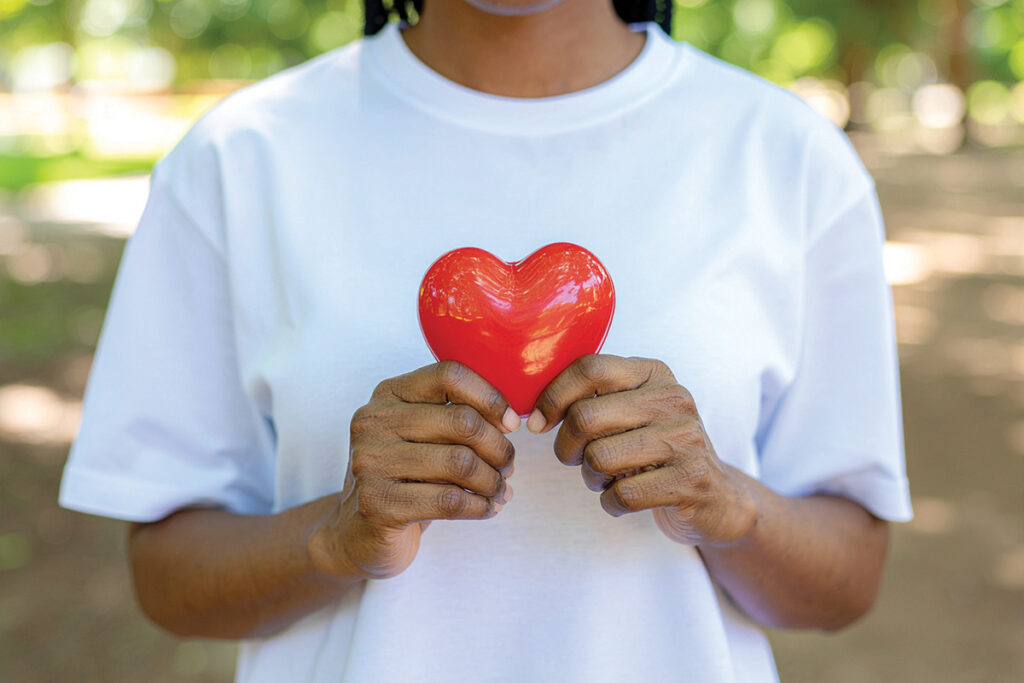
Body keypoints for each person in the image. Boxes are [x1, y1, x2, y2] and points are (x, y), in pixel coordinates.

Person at [58, 0, 914, 680]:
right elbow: (167, 574)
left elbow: (850, 578)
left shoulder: (789, 157)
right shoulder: (241, 158)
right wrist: (334, 534)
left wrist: (731, 504)